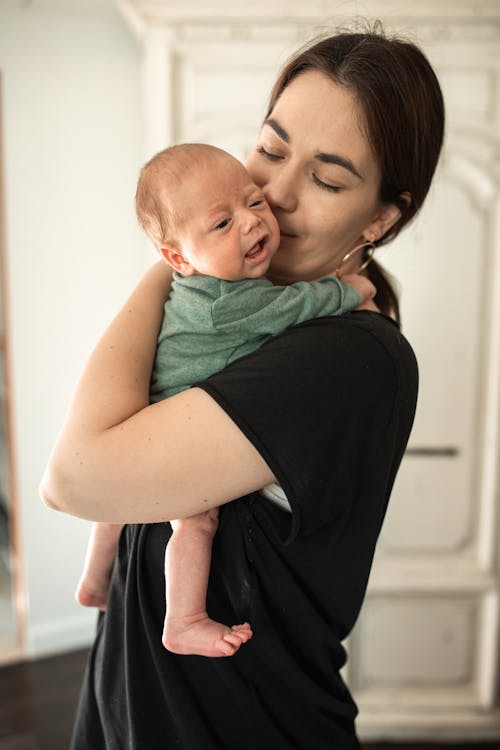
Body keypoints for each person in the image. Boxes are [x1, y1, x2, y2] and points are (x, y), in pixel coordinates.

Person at [41, 25, 444, 750]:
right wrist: (193, 244)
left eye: (326, 178)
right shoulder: (220, 313)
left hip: (238, 723)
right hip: (135, 693)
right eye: (270, 149)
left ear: (382, 217)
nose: (274, 196)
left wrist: (183, 255)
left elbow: (73, 477)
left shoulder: (347, 356)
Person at [75, 143, 374, 659]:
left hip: (150, 417)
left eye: (254, 203)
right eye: (221, 225)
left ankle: (95, 581)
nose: (251, 223)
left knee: (117, 505)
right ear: (178, 258)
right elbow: (295, 306)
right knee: (196, 521)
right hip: (171, 433)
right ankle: (184, 619)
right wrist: (349, 291)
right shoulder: (228, 304)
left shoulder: (190, 285)